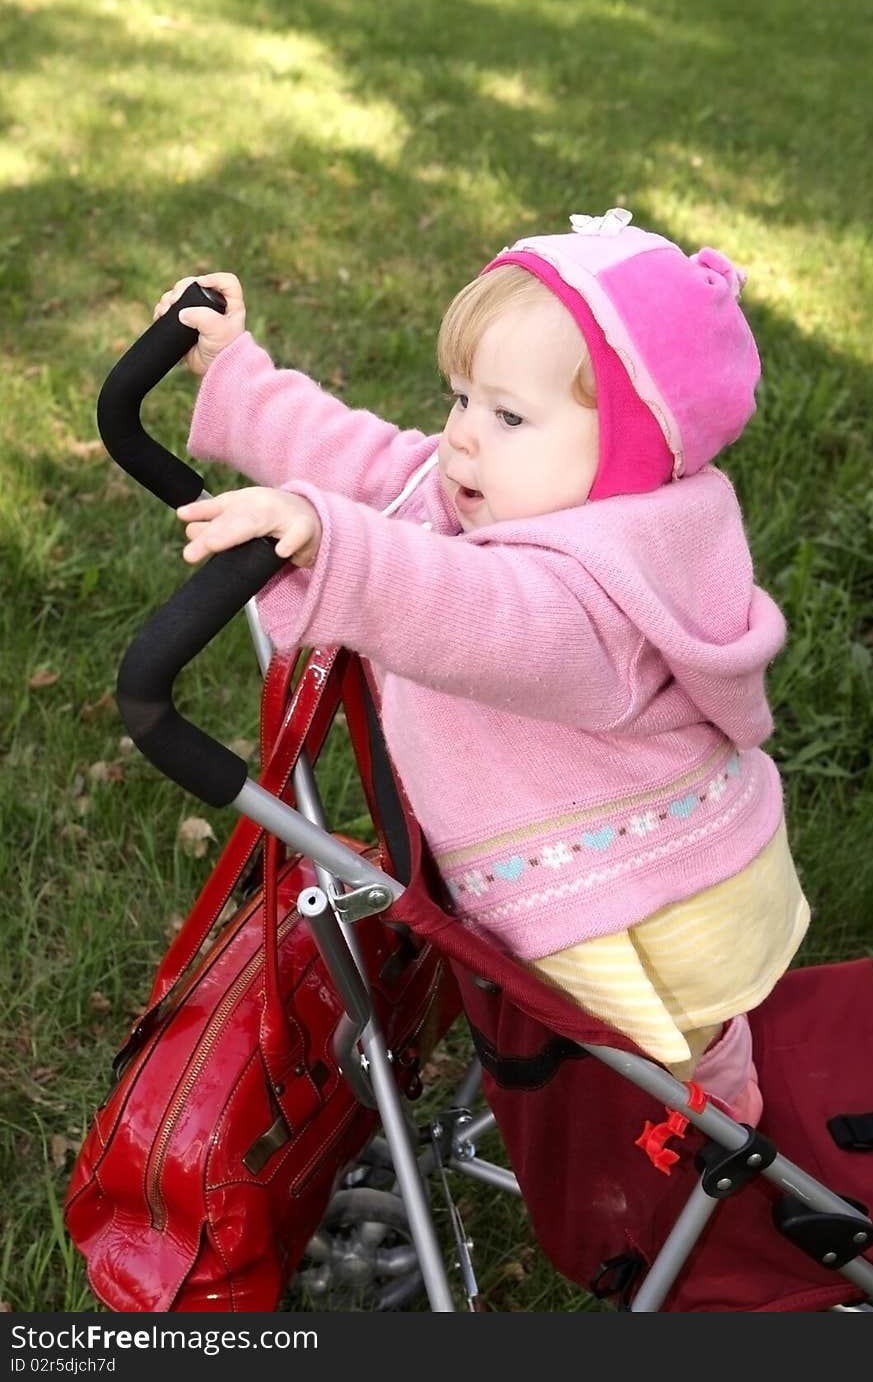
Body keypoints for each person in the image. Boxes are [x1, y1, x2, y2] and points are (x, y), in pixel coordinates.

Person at [155, 207, 810, 1123]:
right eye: (461, 396)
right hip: (630, 879)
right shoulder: (504, 487)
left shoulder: (590, 603)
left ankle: (723, 1124)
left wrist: (336, 545)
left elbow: (471, 610)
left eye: (507, 414)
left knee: (680, 1051)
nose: (461, 436)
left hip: (652, 905)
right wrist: (237, 373)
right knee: (643, 1059)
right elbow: (374, 464)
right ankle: (702, 1101)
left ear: (626, 448)